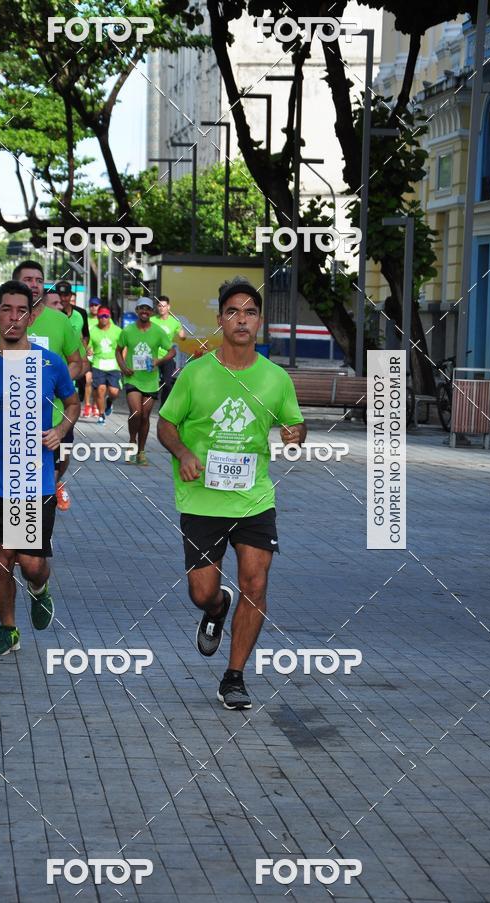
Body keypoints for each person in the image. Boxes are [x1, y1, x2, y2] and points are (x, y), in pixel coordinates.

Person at [157, 276, 306, 711]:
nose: (242, 319)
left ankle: (234, 676)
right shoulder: (196, 374)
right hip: (202, 498)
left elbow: (293, 423)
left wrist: (296, 434)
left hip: (254, 498)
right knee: (202, 592)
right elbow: (166, 423)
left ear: (260, 321)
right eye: (233, 312)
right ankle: (217, 608)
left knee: (255, 585)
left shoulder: (275, 378)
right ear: (220, 320)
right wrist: (183, 450)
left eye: (251, 312)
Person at [0, 280, 80, 656]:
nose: (14, 318)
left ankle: (39, 588)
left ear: (31, 316)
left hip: (33, 482)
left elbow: (73, 402)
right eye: (6, 310)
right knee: (1, 558)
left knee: (31, 564)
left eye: (21, 311)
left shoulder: (50, 363)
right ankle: (8, 629)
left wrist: (61, 430)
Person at [12, 261, 85, 511]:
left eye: (39, 280)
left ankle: (52, 490)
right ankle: (31, 533)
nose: (33, 284)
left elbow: (79, 362)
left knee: (58, 464)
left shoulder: (60, 321)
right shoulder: (1, 320)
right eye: (28, 279)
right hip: (13, 418)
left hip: (55, 416)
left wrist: (56, 383)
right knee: (27, 491)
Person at [115, 298, 174, 466]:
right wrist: (123, 367)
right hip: (132, 378)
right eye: (142, 308)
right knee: (136, 412)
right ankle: (132, 443)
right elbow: (118, 351)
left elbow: (172, 352)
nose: (144, 312)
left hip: (150, 380)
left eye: (148, 309)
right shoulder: (127, 331)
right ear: (137, 310)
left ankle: (141, 451)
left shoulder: (158, 331)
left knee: (145, 416)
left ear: (152, 312)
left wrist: (158, 361)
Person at [89, 306, 122, 423]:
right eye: (101, 316)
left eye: (106, 316)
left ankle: (109, 402)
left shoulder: (117, 331)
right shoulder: (93, 331)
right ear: (97, 317)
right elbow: (89, 346)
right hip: (98, 364)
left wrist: (123, 362)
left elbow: (124, 347)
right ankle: (101, 415)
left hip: (114, 365)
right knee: (101, 389)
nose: (103, 318)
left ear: (109, 317)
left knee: (114, 392)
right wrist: (89, 350)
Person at [151, 295, 186, 404]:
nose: (161, 308)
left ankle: (163, 406)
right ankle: (151, 399)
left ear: (168, 307)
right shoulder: (152, 320)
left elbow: (182, 335)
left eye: (164, 306)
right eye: (159, 306)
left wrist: (182, 335)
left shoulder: (174, 322)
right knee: (151, 384)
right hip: (154, 356)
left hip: (167, 356)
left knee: (168, 384)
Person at [56, 280, 89, 345]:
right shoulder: (51, 312)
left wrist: (83, 347)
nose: (63, 298)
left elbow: (86, 335)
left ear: (71, 295)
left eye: (66, 295)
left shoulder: (81, 312)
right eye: (60, 295)